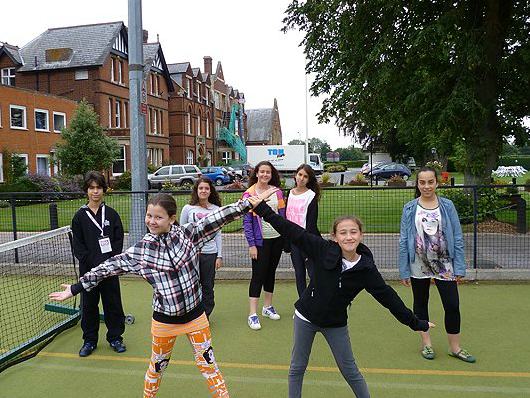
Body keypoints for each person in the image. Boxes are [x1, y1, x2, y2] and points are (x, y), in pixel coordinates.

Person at [51, 191, 275, 398]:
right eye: (149, 216)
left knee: (209, 366)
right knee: (158, 367)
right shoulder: (142, 249)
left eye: (158, 217)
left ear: (172, 218)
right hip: (164, 322)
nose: (151, 221)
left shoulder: (188, 234)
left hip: (196, 318)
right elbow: (108, 267)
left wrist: (248, 203)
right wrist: (75, 288)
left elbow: (218, 217)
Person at [250, 189, 435, 398]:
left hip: (335, 323)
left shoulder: (366, 269)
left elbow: (388, 298)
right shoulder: (323, 249)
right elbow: (291, 230)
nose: (349, 237)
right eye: (343, 233)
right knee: (297, 368)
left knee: (350, 371)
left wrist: (415, 322)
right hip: (305, 317)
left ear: (361, 235)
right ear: (335, 237)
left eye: (353, 232)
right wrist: (262, 208)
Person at [398, 166, 476, 363]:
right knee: (420, 303)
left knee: (452, 305)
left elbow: (457, 237)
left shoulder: (447, 206)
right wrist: (404, 270)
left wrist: (459, 267)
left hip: (445, 265)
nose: (426, 186)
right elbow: (403, 239)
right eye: (422, 182)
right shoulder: (409, 208)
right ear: (417, 184)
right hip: (418, 265)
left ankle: (455, 347)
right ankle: (427, 344)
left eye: (430, 182)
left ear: (437, 183)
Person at [71, 171, 126, 357]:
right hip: (89, 272)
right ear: (86, 190)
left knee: (113, 304)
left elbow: (118, 240)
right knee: (89, 306)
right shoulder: (79, 217)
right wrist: (94, 265)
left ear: (104, 190)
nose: (95, 192)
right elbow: (78, 247)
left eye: (99, 188)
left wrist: (109, 262)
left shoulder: (111, 214)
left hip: (110, 270)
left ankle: (116, 338)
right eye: (92, 188)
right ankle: (89, 341)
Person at [242, 161, 286, 330]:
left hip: (277, 239)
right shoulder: (249, 194)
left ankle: (267, 307)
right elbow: (247, 222)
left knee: (270, 273)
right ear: (257, 174)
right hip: (260, 243)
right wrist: (252, 245)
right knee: (258, 275)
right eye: (262, 172)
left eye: (268, 172)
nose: (265, 175)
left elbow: (282, 216)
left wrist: (285, 238)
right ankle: (252, 314)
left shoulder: (278, 192)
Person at [180, 177, 223, 318]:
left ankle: (205, 315)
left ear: (211, 191)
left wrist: (219, 256)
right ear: (196, 190)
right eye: (201, 188)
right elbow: (181, 233)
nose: (203, 191)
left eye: (206, 188)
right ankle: (192, 313)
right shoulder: (188, 209)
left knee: (208, 286)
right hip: (191, 255)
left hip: (210, 254)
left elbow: (218, 235)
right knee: (191, 285)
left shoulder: (216, 209)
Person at [285, 164, 321, 297]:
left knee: (313, 274)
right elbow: (286, 218)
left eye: (305, 176)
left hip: (306, 240)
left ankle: (316, 302)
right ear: (295, 175)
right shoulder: (290, 193)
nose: (301, 178)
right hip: (293, 241)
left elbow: (311, 222)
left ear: (309, 180)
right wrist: (287, 243)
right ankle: (303, 306)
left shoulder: (311, 196)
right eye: (300, 175)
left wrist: (308, 243)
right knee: (299, 274)